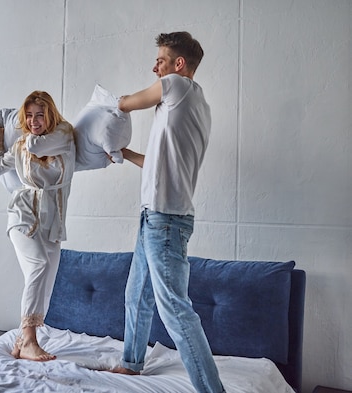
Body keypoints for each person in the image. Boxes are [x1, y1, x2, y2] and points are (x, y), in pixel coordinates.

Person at [112, 32, 225, 393]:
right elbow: (157, 164)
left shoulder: (177, 86)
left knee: (175, 309)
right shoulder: (190, 104)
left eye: (159, 60)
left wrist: (108, 106)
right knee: (137, 294)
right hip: (153, 216)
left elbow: (128, 103)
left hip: (166, 220)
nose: (154, 67)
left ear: (178, 65)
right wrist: (125, 152)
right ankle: (131, 363)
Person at [0, 91, 76, 361]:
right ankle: (30, 340)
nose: (34, 121)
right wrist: (0, 130)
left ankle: (21, 340)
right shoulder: (23, 145)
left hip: (52, 222)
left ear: (51, 115)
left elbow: (38, 145)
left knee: (46, 279)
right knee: (39, 266)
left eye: (40, 114)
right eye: (29, 116)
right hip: (22, 214)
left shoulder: (65, 137)